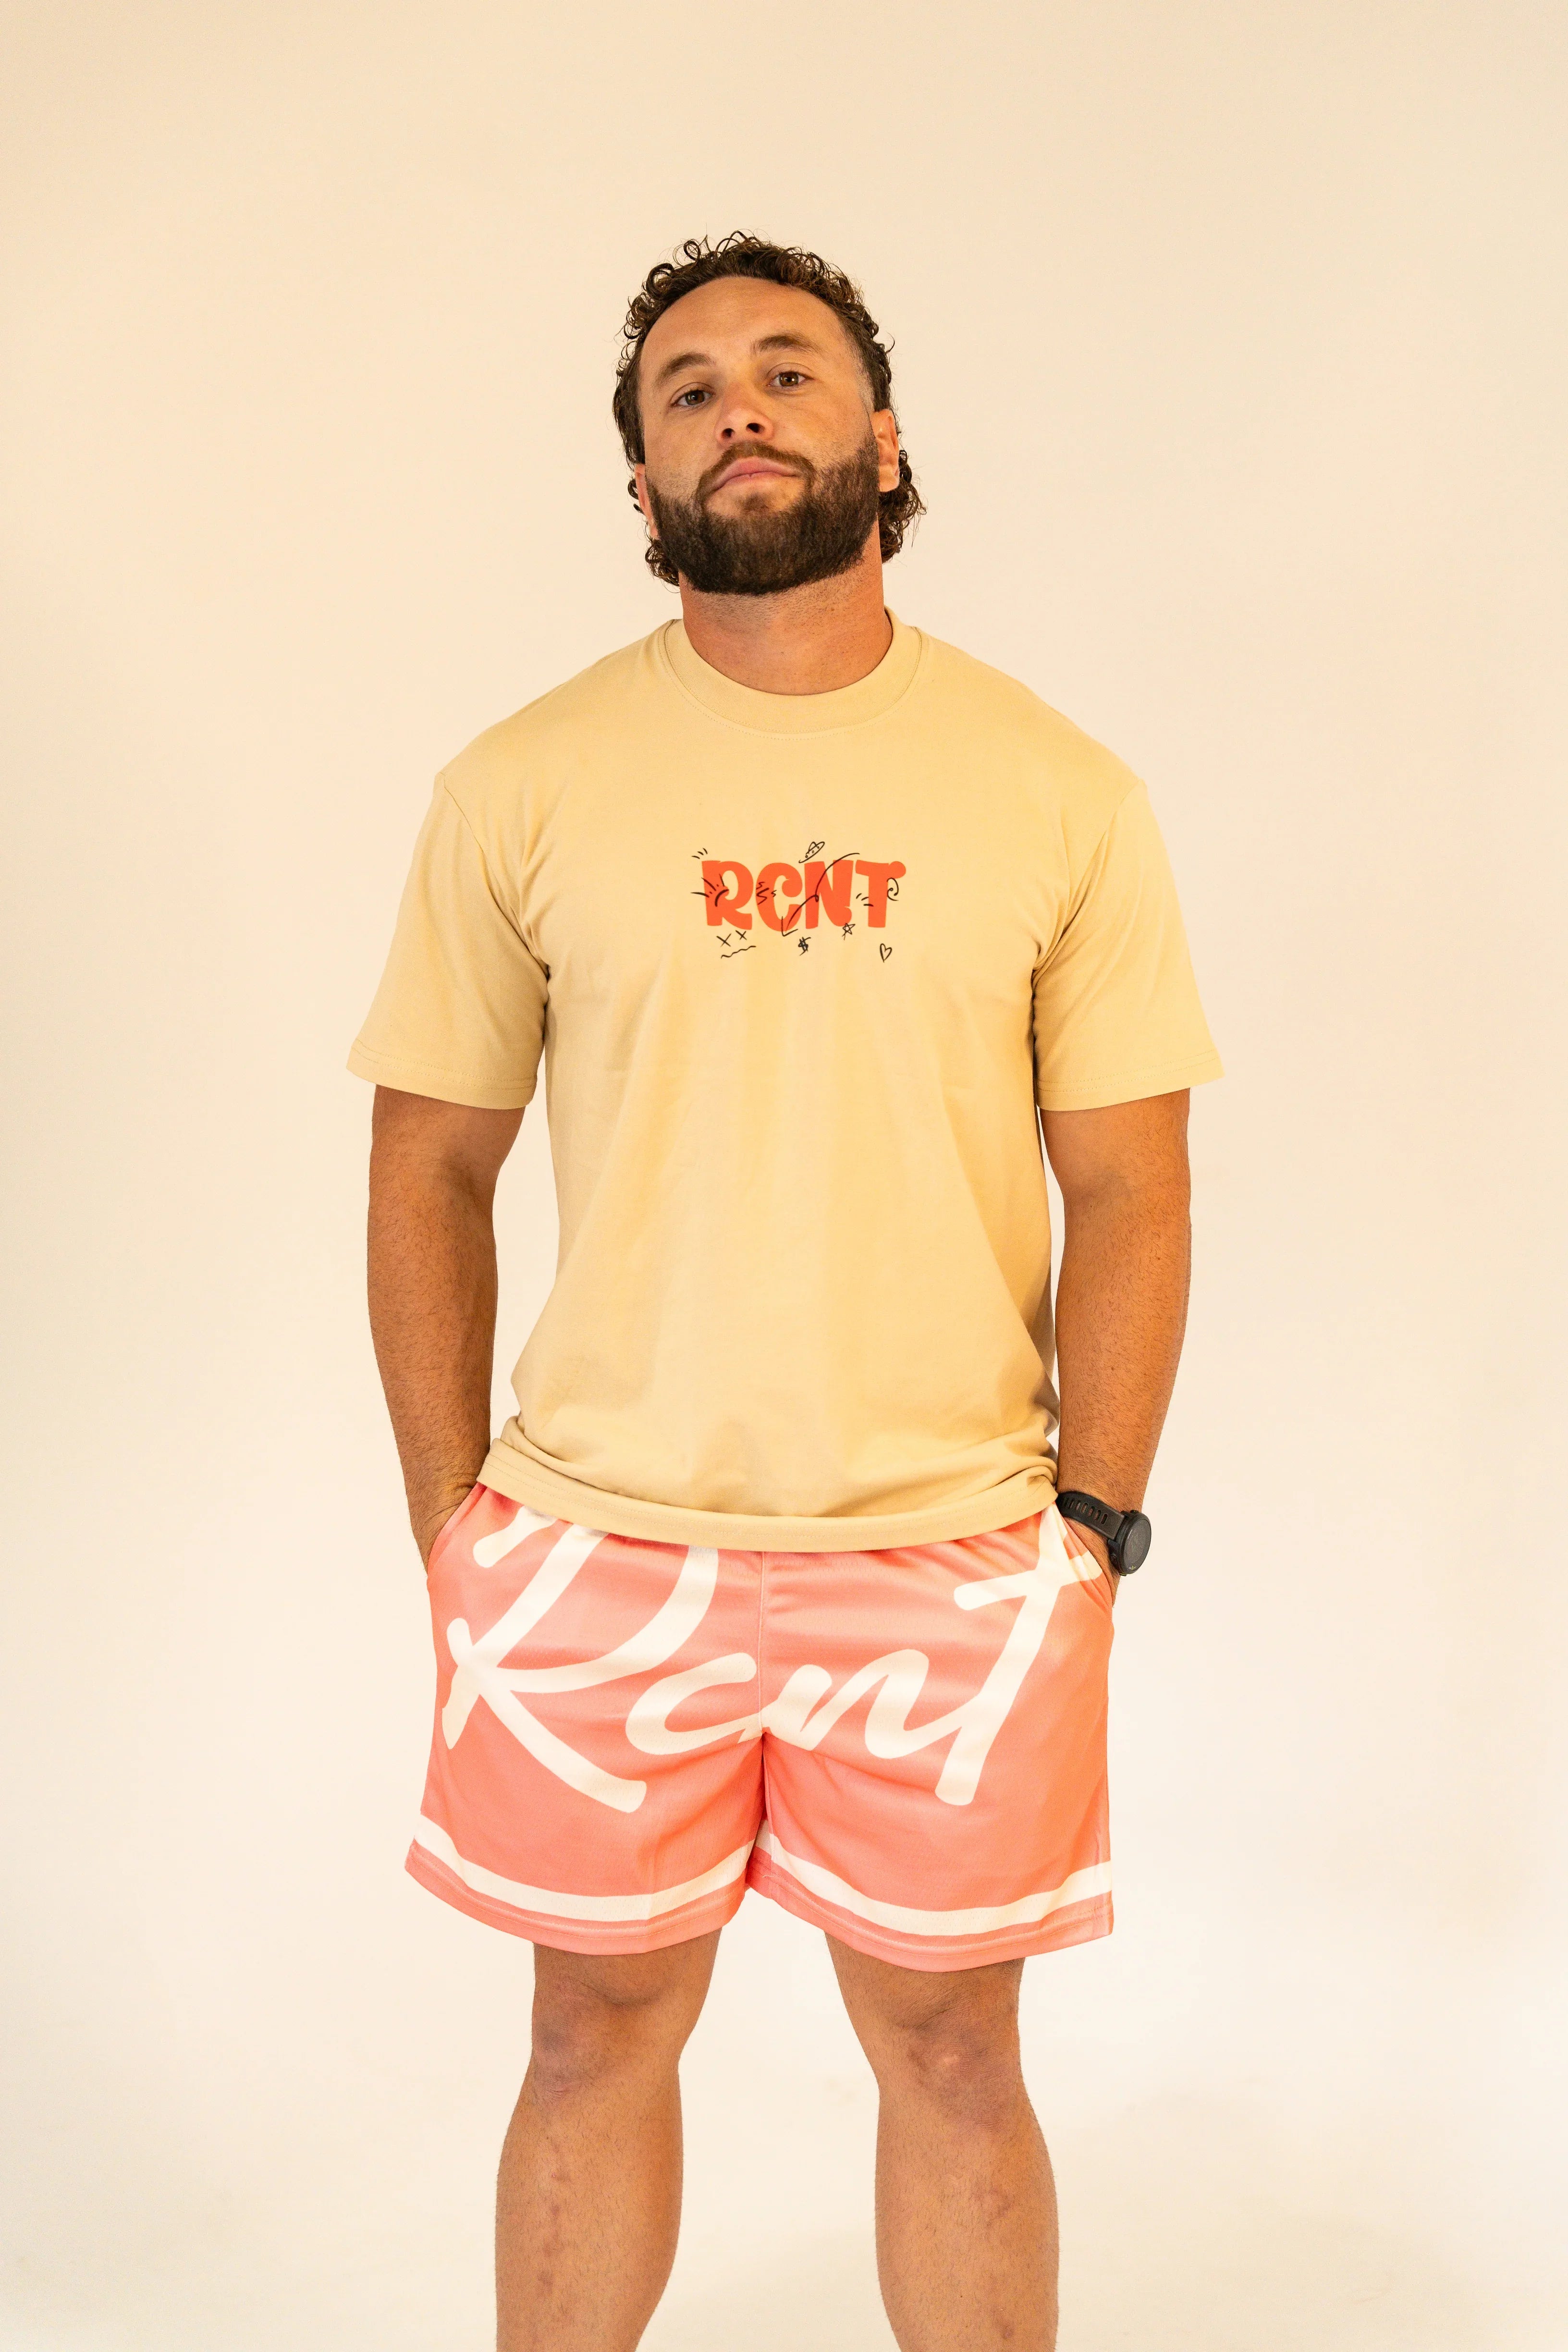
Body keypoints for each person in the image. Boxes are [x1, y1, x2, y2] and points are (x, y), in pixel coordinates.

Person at [350, 231, 1223, 2352]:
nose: (737, 402)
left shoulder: (1059, 788)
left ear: (883, 439)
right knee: (589, 2032)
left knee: (954, 2052)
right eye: (687, 387)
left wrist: (1093, 1530)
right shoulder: (521, 784)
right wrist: (457, 1526)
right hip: (594, 1549)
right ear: (644, 483)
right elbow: (429, 1166)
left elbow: (1130, 1182)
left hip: (955, 1550)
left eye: (787, 367)